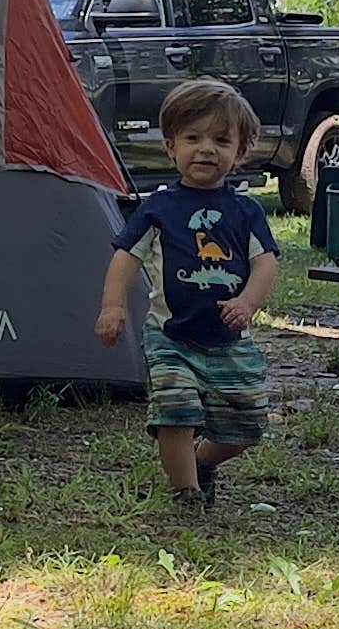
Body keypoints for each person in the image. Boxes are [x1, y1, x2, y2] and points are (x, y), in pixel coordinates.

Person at [98, 79, 283, 506]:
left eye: (221, 140)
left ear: (239, 154)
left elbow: (265, 261)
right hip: (169, 335)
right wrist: (112, 306)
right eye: (192, 138)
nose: (206, 149)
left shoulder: (246, 210)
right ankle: (187, 492)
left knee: (249, 422)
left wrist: (247, 302)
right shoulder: (158, 208)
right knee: (175, 410)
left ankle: (203, 461)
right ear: (170, 147)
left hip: (228, 338)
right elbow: (126, 256)